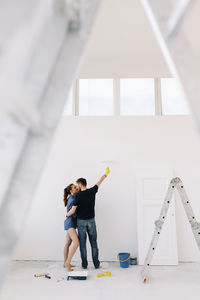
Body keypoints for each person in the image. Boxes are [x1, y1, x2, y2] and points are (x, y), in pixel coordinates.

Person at [68, 168, 110, 269]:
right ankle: (96, 265)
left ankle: (84, 265)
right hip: (91, 221)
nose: (77, 187)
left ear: (81, 184)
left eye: (77, 185)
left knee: (82, 245)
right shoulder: (92, 191)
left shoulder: (77, 196)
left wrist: (66, 215)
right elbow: (99, 182)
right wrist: (105, 175)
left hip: (81, 222)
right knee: (94, 243)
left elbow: (73, 210)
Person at [63, 183, 80, 271]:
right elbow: (72, 211)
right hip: (70, 223)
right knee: (77, 243)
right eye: (74, 187)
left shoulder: (71, 197)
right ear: (71, 191)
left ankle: (65, 263)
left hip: (69, 223)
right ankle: (67, 263)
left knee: (68, 244)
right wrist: (67, 215)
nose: (76, 188)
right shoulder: (73, 199)